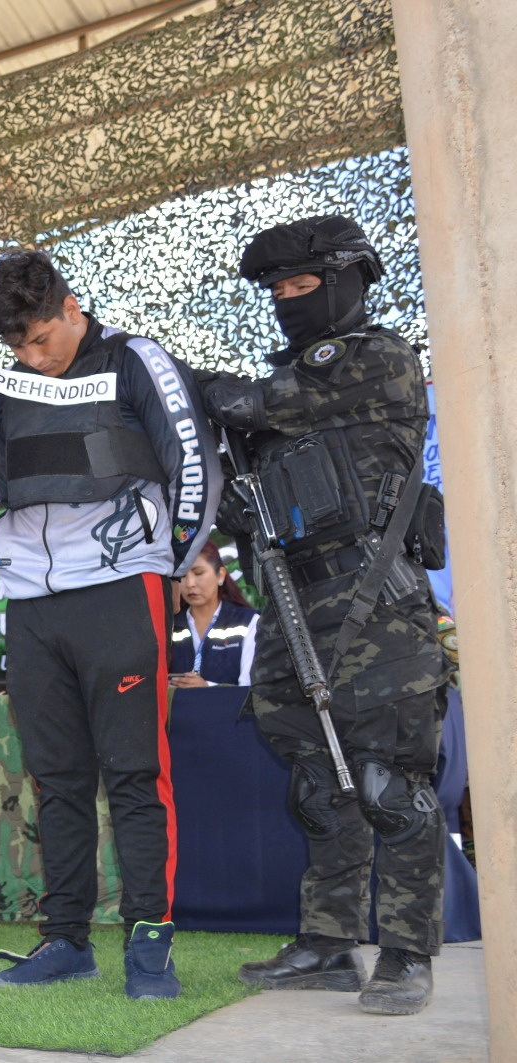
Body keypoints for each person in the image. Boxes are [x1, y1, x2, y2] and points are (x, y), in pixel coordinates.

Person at [200, 215, 446, 1015]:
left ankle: (407, 953)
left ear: (347, 280)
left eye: (301, 287)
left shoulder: (378, 359)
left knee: (387, 783)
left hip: (375, 598)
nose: (286, 303)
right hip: (294, 597)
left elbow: (258, 401)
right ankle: (330, 942)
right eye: (275, 293)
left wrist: (197, 387)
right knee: (316, 780)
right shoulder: (287, 398)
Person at [0, 250, 220, 1000]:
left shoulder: (136, 359)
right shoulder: (12, 381)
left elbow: (193, 462)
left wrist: (167, 561)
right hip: (32, 602)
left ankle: (150, 943)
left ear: (72, 306)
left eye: (41, 337)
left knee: (136, 776)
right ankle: (66, 939)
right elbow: (8, 475)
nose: (32, 356)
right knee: (57, 780)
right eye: (16, 346)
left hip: (122, 589)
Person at [169, 540, 259, 688]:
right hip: (180, 710)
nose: (190, 583)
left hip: (230, 710)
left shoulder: (249, 622)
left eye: (198, 573)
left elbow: (251, 691)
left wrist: (207, 688)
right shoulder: (169, 624)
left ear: (220, 575)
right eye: (182, 576)